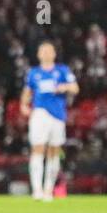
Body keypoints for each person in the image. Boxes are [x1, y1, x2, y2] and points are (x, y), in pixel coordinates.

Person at [21, 41, 78, 201]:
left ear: (54, 54)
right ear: (39, 54)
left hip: (58, 115)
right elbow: (27, 91)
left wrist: (64, 87)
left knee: (53, 151)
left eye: (49, 51)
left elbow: (75, 88)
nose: (46, 53)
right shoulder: (34, 73)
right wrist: (24, 105)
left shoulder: (62, 70)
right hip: (40, 112)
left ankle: (48, 189)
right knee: (38, 148)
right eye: (43, 51)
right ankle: (37, 189)